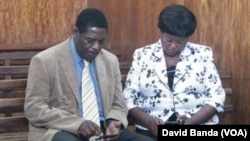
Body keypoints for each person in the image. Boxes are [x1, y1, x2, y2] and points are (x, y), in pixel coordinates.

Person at [24, 8, 153, 141]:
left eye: (101, 42)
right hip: (62, 129)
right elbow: (34, 108)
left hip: (103, 130)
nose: (96, 47)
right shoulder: (45, 60)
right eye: (90, 40)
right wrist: (78, 124)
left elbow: (118, 102)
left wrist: (114, 122)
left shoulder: (110, 61)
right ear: (76, 33)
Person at [123, 4, 226, 140]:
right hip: (152, 131)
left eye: (180, 42)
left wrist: (191, 122)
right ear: (161, 32)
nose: (173, 46)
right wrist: (149, 123)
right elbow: (129, 98)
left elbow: (216, 97)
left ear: (188, 38)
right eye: (168, 40)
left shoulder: (202, 54)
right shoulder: (143, 55)